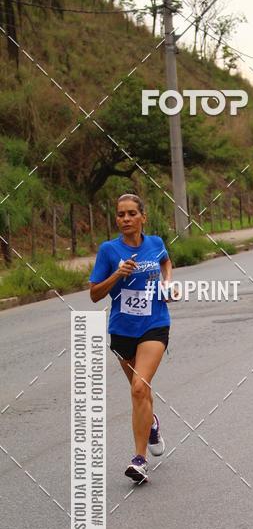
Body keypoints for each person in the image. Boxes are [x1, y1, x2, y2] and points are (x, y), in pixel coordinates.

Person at [89, 193, 173, 483]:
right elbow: (94, 294)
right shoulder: (109, 251)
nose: (125, 219)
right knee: (142, 393)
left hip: (155, 324)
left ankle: (139, 461)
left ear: (142, 217)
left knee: (139, 388)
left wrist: (167, 284)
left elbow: (165, 263)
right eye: (120, 214)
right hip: (122, 330)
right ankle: (151, 424)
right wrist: (116, 275)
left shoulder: (156, 243)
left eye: (131, 214)